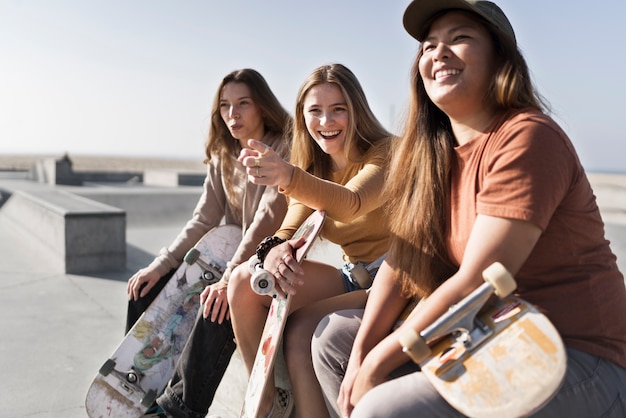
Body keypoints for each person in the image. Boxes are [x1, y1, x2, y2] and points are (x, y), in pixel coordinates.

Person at [311, 1, 626, 417]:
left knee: (384, 408)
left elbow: (480, 281)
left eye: (459, 38)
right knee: (334, 343)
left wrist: (378, 362)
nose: (439, 52)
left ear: (500, 59)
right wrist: (361, 357)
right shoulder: (430, 157)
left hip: (571, 353)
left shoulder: (527, 138)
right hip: (485, 336)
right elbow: (401, 264)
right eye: (428, 46)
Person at [125, 68, 293, 418]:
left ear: (262, 106)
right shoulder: (222, 156)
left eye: (243, 104)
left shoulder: (282, 149)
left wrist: (229, 277)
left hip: (269, 262)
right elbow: (203, 218)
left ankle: (178, 411)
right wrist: (161, 263)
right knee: (144, 289)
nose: (233, 114)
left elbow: (266, 220)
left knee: (217, 305)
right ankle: (141, 390)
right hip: (229, 261)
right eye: (225, 106)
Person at [227, 63, 392, 418]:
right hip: (351, 277)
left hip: (394, 281)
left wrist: (287, 174)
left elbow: (351, 203)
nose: (326, 122)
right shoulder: (312, 168)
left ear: (357, 111)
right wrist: (274, 252)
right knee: (244, 280)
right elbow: (290, 228)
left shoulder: (387, 152)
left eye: (338, 110)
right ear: (303, 118)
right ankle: (268, 402)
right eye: (314, 111)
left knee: (302, 329)